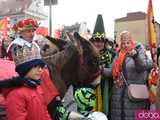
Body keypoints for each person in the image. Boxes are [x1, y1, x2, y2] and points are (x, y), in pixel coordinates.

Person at [110, 30, 153, 120]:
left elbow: (143, 66)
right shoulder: (118, 54)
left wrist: (135, 56)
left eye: (128, 42)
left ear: (132, 41)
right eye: (123, 43)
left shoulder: (138, 50)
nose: (125, 45)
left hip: (135, 96)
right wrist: (101, 70)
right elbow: (112, 71)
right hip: (118, 96)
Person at [2, 43, 52, 120]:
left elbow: (44, 112)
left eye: (41, 66)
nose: (40, 70)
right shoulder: (15, 95)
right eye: (35, 66)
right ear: (24, 69)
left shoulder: (37, 87)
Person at [89, 14, 116, 116]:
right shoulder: (87, 55)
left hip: (107, 89)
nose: (98, 43)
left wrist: (102, 70)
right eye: (96, 41)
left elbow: (114, 71)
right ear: (92, 41)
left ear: (105, 42)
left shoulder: (111, 54)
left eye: (101, 41)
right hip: (89, 89)